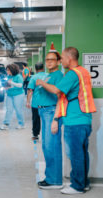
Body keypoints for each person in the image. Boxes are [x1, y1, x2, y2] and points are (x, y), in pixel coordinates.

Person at [36, 47, 96, 194]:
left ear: (69, 58)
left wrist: (41, 83)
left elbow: (57, 91)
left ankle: (77, 186)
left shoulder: (72, 74)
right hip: (85, 119)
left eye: (62, 58)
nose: (61, 60)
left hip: (74, 120)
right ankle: (84, 182)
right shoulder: (83, 72)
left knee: (75, 154)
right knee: (82, 153)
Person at [36, 52, 64, 189]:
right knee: (47, 146)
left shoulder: (58, 75)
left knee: (52, 146)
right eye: (47, 60)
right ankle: (51, 177)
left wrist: (56, 119)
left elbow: (58, 92)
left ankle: (55, 180)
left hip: (51, 112)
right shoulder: (49, 76)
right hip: (44, 112)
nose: (49, 62)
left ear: (59, 62)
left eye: (52, 60)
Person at [0, 63, 25, 130]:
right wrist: (6, 87)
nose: (7, 72)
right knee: (9, 110)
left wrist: (11, 83)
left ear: (12, 70)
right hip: (9, 94)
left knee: (18, 109)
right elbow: (10, 85)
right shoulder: (9, 76)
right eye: (7, 70)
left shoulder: (18, 76)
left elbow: (20, 85)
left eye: (8, 70)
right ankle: (6, 124)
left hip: (18, 95)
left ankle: (21, 124)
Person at [26, 63, 47, 140]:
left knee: (36, 119)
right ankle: (47, 135)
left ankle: (35, 135)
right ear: (43, 68)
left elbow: (30, 90)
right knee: (47, 120)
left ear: (35, 69)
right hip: (48, 103)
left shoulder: (34, 77)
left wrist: (28, 101)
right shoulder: (48, 76)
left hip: (36, 103)